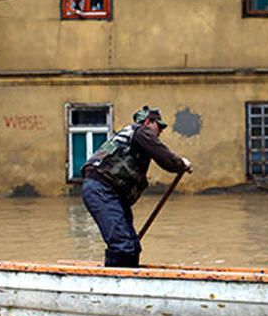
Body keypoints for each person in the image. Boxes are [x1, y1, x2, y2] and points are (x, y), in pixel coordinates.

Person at [82, 106, 192, 267]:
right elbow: (165, 158)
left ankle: (122, 277)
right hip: (102, 190)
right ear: (148, 122)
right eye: (159, 126)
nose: (160, 131)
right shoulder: (141, 131)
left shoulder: (130, 134)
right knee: (123, 246)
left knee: (132, 247)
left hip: (109, 192)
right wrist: (181, 163)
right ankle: (114, 285)